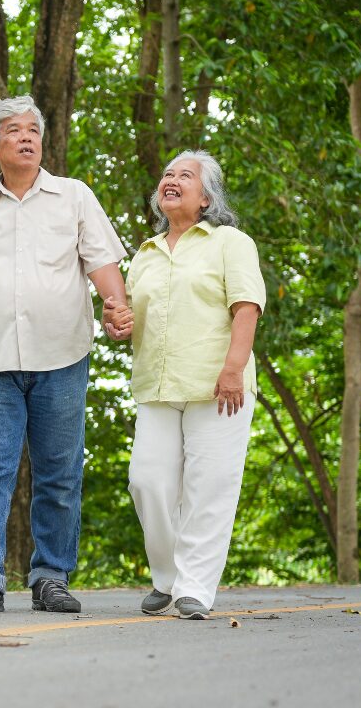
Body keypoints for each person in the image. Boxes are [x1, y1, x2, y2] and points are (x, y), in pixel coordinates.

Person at [0, 95, 129, 613]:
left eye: (33, 130)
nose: (26, 137)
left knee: (60, 471)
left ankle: (50, 577)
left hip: (63, 354)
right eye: (14, 130)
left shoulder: (74, 197)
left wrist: (116, 307)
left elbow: (102, 260)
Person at [104, 149, 265, 620]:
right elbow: (131, 319)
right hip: (156, 384)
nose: (171, 180)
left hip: (219, 385)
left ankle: (193, 587)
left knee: (209, 487)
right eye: (168, 174)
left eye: (185, 176)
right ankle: (169, 578)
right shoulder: (145, 253)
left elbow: (247, 306)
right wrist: (119, 323)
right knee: (146, 481)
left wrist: (234, 368)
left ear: (206, 197)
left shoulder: (229, 242)